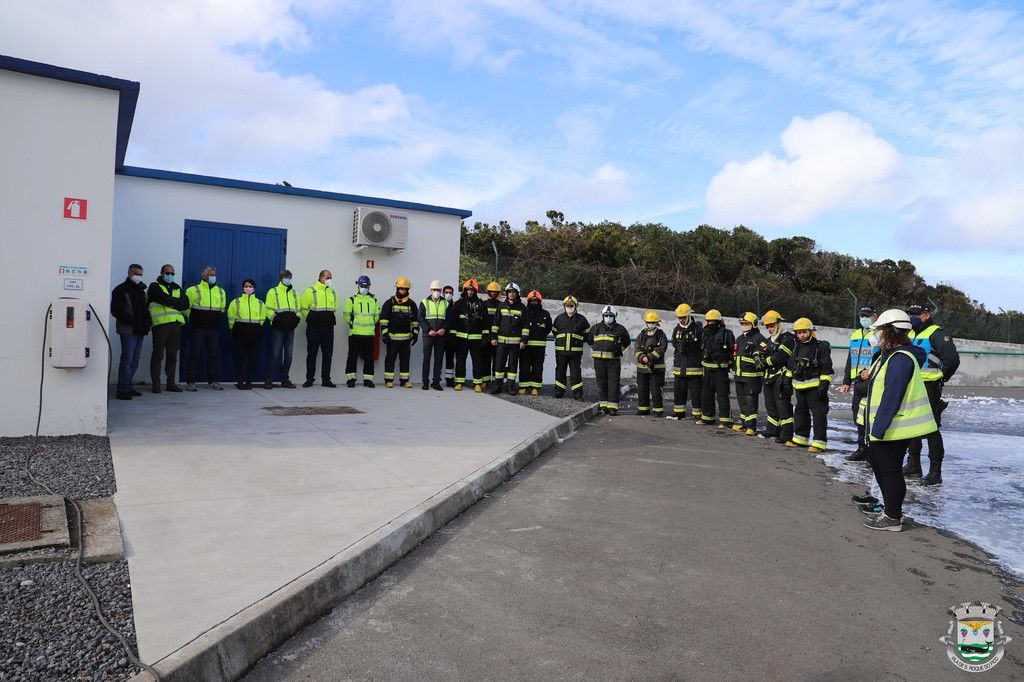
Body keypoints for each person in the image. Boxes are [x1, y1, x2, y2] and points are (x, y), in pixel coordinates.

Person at [859, 309, 938, 532]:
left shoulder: (901, 359)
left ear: (891, 332)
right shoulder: (891, 356)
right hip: (886, 426)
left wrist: (879, 428)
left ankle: (893, 517)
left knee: (890, 470)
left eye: (880, 330)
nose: (877, 334)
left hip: (893, 426)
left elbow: (892, 395)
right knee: (880, 466)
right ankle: (891, 510)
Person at [903, 303, 960, 485]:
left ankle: (935, 471)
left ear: (926, 315)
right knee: (911, 424)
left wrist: (942, 377)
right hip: (911, 384)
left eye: (915, 314)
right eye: (909, 314)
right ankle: (913, 464)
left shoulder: (938, 333)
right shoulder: (909, 333)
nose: (912, 317)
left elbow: (952, 360)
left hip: (929, 386)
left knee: (931, 428)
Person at [785, 318, 833, 453]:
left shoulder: (820, 346)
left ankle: (819, 442)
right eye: (799, 333)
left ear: (811, 331)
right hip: (800, 387)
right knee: (800, 413)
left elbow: (826, 367)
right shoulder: (796, 347)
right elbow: (791, 366)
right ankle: (800, 438)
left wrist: (824, 384)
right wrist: (786, 382)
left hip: (815, 388)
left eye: (804, 332)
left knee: (818, 414)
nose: (802, 335)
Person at [842, 306, 880, 461]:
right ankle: (862, 448)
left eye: (867, 316)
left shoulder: (878, 334)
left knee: (870, 416)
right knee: (857, 416)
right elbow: (850, 359)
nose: (863, 318)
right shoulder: (856, 335)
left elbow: (881, 358)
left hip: (872, 381)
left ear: (874, 316)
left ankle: (872, 451)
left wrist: (871, 373)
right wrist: (846, 380)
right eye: (861, 316)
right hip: (858, 381)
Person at [147, 264, 190, 393]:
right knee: (158, 355)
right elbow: (162, 297)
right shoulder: (154, 286)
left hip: (176, 325)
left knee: (172, 356)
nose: (170, 275)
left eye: (172, 273)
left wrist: (169, 302)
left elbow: (185, 303)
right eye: (167, 273)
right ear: (161, 273)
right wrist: (174, 302)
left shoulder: (177, 287)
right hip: (161, 325)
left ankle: (170, 383)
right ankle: (156, 384)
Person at [110, 263, 151, 400]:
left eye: (140, 274)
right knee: (127, 359)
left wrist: (146, 323)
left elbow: (145, 310)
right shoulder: (120, 289)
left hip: (140, 329)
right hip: (127, 329)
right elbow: (116, 310)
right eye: (136, 273)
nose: (138, 276)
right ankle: (122, 389)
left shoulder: (142, 290)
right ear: (129, 273)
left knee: (135, 360)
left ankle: (128, 385)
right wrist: (130, 319)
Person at [184, 265, 226, 391]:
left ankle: (213, 381)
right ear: (203, 276)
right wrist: (193, 320)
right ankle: (191, 382)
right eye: (210, 275)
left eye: (214, 274)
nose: (212, 277)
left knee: (214, 354)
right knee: (194, 354)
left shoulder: (220, 291)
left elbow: (222, 308)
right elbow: (186, 308)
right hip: (198, 328)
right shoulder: (193, 290)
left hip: (213, 329)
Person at [446, 279, 489, 391]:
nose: (470, 292)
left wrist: (485, 337)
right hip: (461, 338)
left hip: (476, 339)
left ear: (475, 291)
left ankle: (477, 383)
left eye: (472, 290)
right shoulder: (459, 304)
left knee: (477, 361)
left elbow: (486, 322)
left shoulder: (481, 304)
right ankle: (459, 382)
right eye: (468, 290)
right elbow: (454, 321)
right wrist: (452, 336)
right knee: (460, 361)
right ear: (465, 290)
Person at [587, 305, 630, 415]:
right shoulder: (595, 328)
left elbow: (627, 342)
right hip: (599, 361)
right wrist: (596, 349)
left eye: (610, 315)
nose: (608, 317)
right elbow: (590, 340)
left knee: (613, 383)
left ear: (614, 316)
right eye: (606, 315)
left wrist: (619, 350)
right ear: (603, 316)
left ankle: (613, 407)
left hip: (613, 361)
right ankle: (603, 406)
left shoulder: (620, 329)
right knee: (601, 383)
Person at [300, 269, 340, 387]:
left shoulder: (332, 293)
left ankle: (326, 379)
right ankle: (309, 379)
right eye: (327, 278)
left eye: (330, 278)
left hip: (328, 328)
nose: (329, 280)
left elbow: (334, 309)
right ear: (321, 277)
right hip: (314, 328)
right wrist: (312, 320)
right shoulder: (310, 291)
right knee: (312, 354)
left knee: (328, 354)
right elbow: (303, 308)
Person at [761, 311, 795, 444]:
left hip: (781, 378)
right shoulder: (770, 340)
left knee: (783, 406)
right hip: (769, 378)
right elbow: (765, 354)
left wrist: (764, 361)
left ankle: (786, 434)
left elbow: (780, 357)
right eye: (767, 327)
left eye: (771, 326)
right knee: (770, 405)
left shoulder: (787, 338)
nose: (769, 329)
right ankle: (772, 431)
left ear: (778, 324)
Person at [732, 312, 768, 436]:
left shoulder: (759, 338)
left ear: (753, 324)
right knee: (742, 401)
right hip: (739, 376)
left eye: (746, 323)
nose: (744, 325)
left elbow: (764, 355)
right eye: (742, 323)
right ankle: (744, 423)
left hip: (752, 378)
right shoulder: (739, 338)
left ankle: (751, 426)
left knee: (751, 401)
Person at [380, 276, 419, 388]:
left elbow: (415, 321)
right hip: (392, 339)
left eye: (405, 289)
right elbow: (384, 320)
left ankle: (404, 381)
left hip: (406, 339)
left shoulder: (411, 304)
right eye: (401, 289)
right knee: (390, 360)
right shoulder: (389, 303)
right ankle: (388, 380)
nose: (403, 291)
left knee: (405, 360)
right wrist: (384, 334)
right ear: (397, 289)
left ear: (408, 290)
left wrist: (415, 334)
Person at [264, 269, 300, 389]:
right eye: (286, 277)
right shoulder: (273, 292)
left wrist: (297, 320)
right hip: (278, 328)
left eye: (290, 277)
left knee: (289, 355)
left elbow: (298, 310)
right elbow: (268, 309)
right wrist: (276, 320)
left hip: (290, 328)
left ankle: (285, 379)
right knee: (275, 354)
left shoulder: (294, 293)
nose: (288, 279)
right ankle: (269, 379)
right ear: (281, 278)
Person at [341, 274, 379, 388]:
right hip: (355, 334)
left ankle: (368, 380)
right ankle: (350, 379)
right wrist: (352, 324)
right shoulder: (351, 300)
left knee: (369, 358)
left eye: (366, 286)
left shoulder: (374, 300)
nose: (364, 288)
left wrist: (370, 324)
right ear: (358, 286)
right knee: (352, 357)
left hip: (369, 334)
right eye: (362, 286)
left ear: (369, 287)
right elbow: (346, 315)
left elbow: (377, 316)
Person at [699, 309, 734, 427]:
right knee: (706, 395)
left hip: (721, 369)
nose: (711, 324)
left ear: (719, 322)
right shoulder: (704, 333)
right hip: (707, 369)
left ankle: (725, 420)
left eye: (713, 321)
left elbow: (731, 350)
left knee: (722, 395)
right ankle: (708, 418)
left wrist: (729, 362)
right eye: (709, 321)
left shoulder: (726, 334)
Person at [228, 279, 265, 389]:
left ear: (254, 288)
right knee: (240, 358)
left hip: (254, 334)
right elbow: (231, 317)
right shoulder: (236, 302)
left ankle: (249, 382)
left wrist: (257, 328)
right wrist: (234, 329)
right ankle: (240, 381)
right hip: (240, 333)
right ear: (243, 288)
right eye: (246, 286)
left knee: (252, 358)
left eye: (250, 286)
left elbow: (262, 318)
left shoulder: (260, 303)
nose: (248, 288)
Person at [490, 282, 526, 395]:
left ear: (517, 294)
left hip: (515, 344)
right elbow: (495, 323)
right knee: (499, 364)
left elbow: (525, 326)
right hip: (501, 342)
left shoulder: (522, 308)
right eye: (509, 292)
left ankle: (511, 387)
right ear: (506, 293)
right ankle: (497, 386)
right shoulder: (501, 306)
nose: (511, 294)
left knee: (513, 365)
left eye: (513, 292)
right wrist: (493, 337)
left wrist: (523, 340)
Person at [552, 296, 590, 399]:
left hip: (575, 353)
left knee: (575, 373)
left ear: (575, 306)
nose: (569, 307)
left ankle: (577, 393)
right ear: (564, 306)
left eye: (571, 305)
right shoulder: (559, 318)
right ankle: (558, 392)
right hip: (561, 352)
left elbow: (587, 334)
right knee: (560, 372)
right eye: (567, 305)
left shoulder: (582, 319)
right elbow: (555, 332)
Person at [669, 304, 703, 422]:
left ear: (688, 316)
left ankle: (698, 414)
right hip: (680, 366)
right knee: (679, 391)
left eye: (683, 317)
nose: (681, 319)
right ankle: (679, 413)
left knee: (696, 393)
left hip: (694, 367)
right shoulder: (676, 329)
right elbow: (674, 342)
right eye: (679, 317)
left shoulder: (697, 328)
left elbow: (702, 344)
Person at [635, 310, 668, 417]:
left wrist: (649, 357)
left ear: (657, 323)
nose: (651, 324)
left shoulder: (661, 335)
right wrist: (642, 357)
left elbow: (662, 348)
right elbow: (637, 348)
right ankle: (643, 409)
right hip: (642, 369)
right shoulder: (642, 334)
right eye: (649, 322)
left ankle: (658, 410)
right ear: (646, 322)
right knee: (642, 389)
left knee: (656, 390)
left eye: (653, 322)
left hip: (656, 369)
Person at [519, 290, 552, 396]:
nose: (534, 302)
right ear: (529, 301)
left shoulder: (545, 314)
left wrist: (540, 336)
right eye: (532, 300)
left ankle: (535, 387)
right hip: (526, 345)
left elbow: (548, 328)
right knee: (524, 366)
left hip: (539, 346)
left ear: (539, 301)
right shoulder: (524, 312)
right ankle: (524, 386)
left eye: (536, 300)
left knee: (538, 367)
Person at [419, 280, 448, 391]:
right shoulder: (424, 302)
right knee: (426, 359)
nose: (436, 292)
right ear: (431, 290)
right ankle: (425, 382)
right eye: (434, 290)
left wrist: (444, 329)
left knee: (438, 359)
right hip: (428, 335)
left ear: (441, 291)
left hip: (440, 336)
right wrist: (428, 330)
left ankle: (436, 382)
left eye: (438, 290)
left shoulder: (446, 303)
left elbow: (449, 318)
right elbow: (420, 318)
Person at [483, 281, 503, 384]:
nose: (494, 293)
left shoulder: (502, 305)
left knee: (497, 361)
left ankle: (496, 381)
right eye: (492, 291)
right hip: (487, 336)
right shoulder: (484, 304)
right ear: (488, 292)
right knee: (485, 360)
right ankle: (485, 381)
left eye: (496, 292)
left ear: (499, 293)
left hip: (498, 337)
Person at [442, 285, 457, 387]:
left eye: (450, 292)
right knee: (438, 358)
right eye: (446, 292)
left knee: (450, 359)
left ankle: (449, 379)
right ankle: (436, 379)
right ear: (443, 293)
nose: (448, 294)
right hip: (441, 335)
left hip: (451, 337)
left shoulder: (455, 305)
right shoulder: (439, 304)